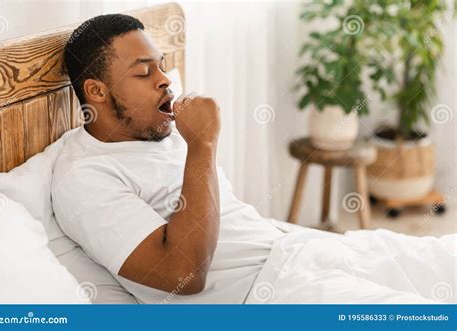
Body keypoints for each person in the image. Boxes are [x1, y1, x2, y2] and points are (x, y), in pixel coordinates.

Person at [52, 14, 455, 304]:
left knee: (443, 261)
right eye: (143, 73)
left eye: (161, 66)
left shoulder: (153, 127)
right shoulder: (86, 176)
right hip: (267, 295)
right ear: (97, 92)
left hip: (297, 252)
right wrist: (203, 145)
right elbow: (182, 276)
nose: (164, 80)